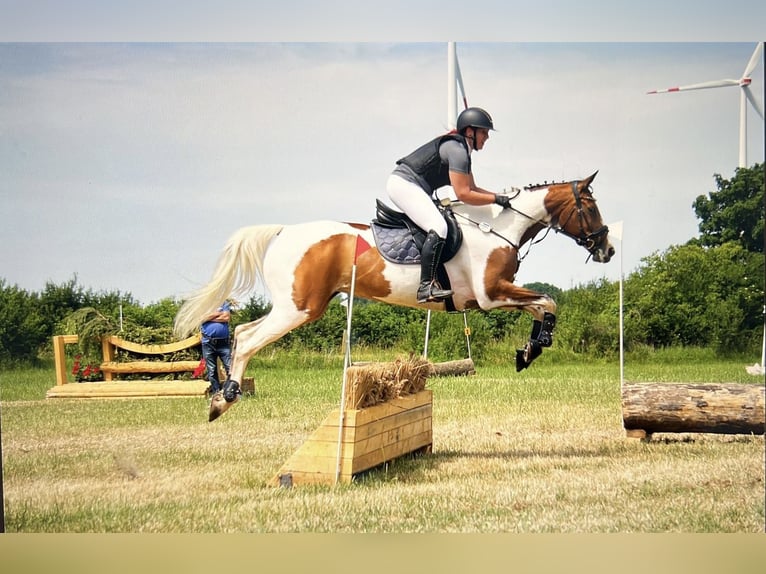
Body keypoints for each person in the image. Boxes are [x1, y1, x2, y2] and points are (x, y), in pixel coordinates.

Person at [386, 107, 512, 303]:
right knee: (439, 226)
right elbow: (463, 194)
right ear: (470, 131)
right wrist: (495, 200)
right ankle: (425, 287)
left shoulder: (463, 150)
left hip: (412, 186)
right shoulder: (457, 150)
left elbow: (473, 188)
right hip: (404, 184)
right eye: (484, 132)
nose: (487, 137)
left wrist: (501, 196)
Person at [200, 300, 233, 395]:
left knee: (230, 368)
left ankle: (230, 391)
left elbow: (226, 317)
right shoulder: (203, 304)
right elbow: (201, 318)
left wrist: (209, 317)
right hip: (208, 343)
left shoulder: (224, 303)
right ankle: (216, 393)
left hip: (223, 342)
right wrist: (218, 314)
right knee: (212, 370)